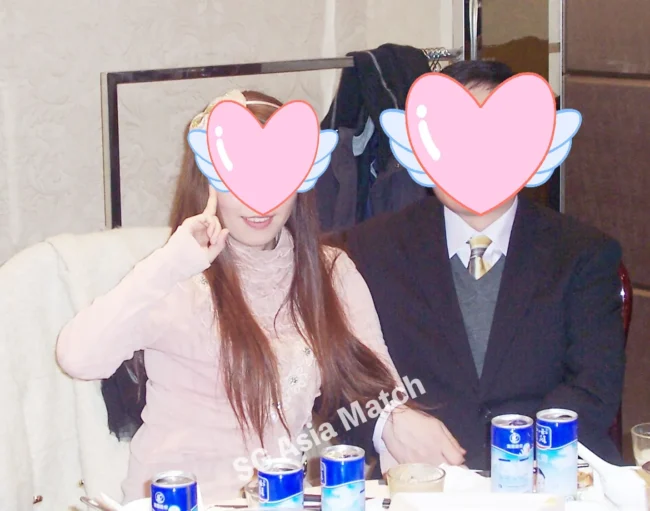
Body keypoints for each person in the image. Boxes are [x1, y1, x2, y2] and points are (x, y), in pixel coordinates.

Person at [55, 90, 443, 504]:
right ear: (206, 182)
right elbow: (78, 357)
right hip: (179, 500)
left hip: (280, 498)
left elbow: (380, 386)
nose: (261, 199)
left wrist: (398, 422)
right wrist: (170, 264)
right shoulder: (178, 278)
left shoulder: (331, 272)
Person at [329, 60, 626, 473]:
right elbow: (338, 382)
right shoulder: (367, 251)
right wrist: (386, 424)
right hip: (422, 485)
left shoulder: (584, 254)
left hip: (547, 479)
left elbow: (594, 389)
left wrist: (518, 460)